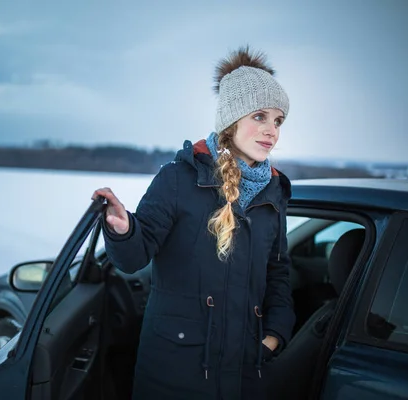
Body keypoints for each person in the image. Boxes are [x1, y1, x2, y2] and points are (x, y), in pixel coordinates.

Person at [92, 46, 294, 400]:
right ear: (232, 120)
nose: (271, 131)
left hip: (247, 369)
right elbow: (132, 258)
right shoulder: (179, 179)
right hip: (176, 372)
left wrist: (274, 335)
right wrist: (124, 230)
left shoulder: (273, 192)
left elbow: (278, 273)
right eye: (260, 116)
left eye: (278, 120)